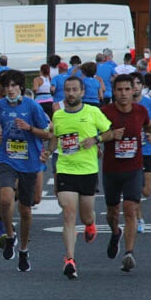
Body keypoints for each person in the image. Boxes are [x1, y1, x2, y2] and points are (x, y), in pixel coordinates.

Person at [49, 76, 119, 279]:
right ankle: (70, 259)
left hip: (87, 170)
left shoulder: (93, 112)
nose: (70, 93)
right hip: (65, 168)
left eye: (74, 90)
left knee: (86, 214)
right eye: (67, 90)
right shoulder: (58, 115)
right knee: (69, 213)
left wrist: (96, 139)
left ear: (81, 92)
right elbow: (54, 137)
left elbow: (110, 132)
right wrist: (48, 152)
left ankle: (90, 224)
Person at [0, 70, 50, 270]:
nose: (10, 90)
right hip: (7, 158)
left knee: (25, 210)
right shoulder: (0, 105)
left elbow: (48, 133)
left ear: (21, 88)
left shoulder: (32, 106)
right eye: (6, 86)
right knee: (5, 198)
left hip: (29, 162)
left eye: (14, 86)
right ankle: (10, 236)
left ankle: (24, 250)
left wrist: (29, 128)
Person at [101, 75, 151, 272]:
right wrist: (107, 136)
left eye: (127, 89)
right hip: (111, 169)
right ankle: (115, 232)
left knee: (130, 209)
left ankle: (128, 253)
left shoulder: (141, 110)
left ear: (133, 90)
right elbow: (94, 135)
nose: (124, 94)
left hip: (134, 168)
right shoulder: (105, 112)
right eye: (119, 90)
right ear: (114, 92)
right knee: (112, 213)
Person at [131, 72, 151, 233]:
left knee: (146, 191)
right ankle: (138, 218)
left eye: (138, 83)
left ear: (143, 86)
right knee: (134, 189)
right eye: (132, 83)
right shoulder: (123, 104)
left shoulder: (150, 104)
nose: (135, 86)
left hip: (148, 151)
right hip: (130, 152)